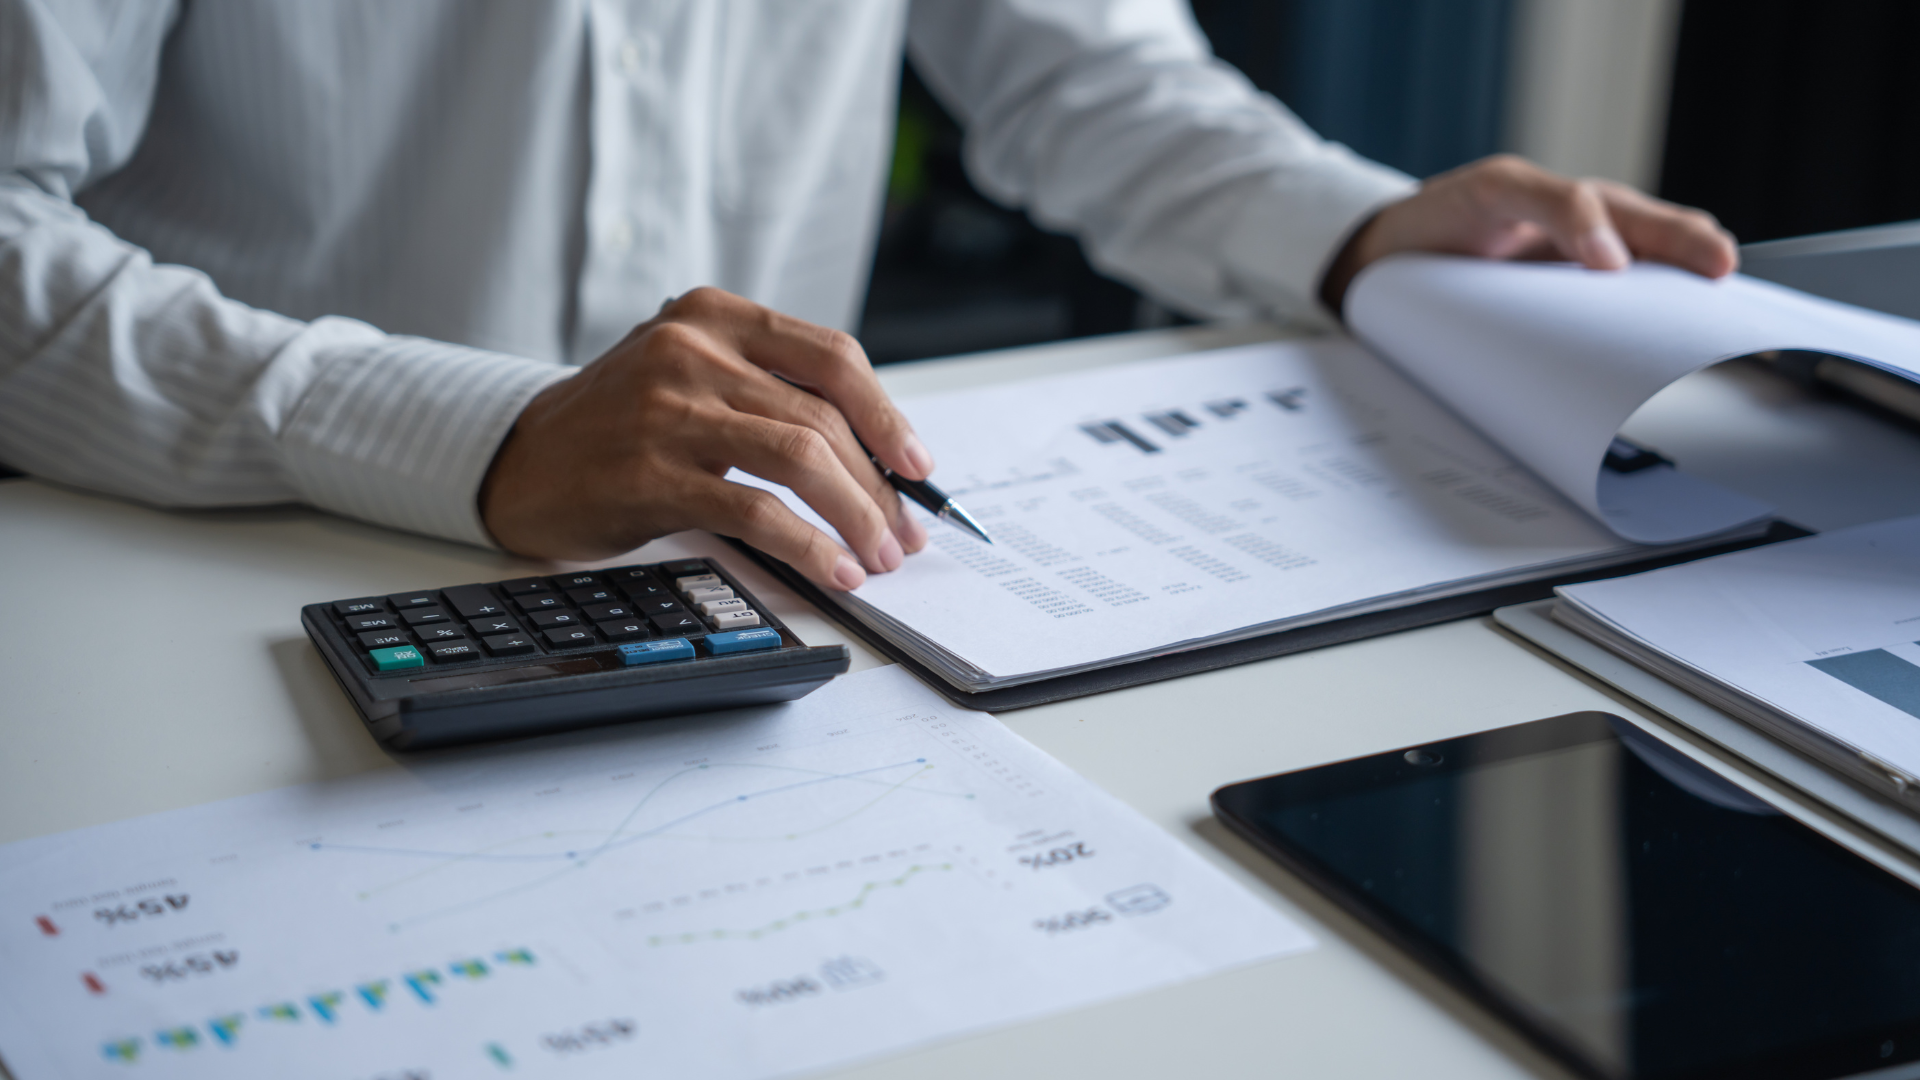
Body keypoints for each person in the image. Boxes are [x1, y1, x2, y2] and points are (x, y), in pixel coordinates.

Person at [0, 0, 1736, 592]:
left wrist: (1369, 238)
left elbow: (1097, 83)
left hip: (769, 564)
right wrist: (476, 428)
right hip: (221, 544)